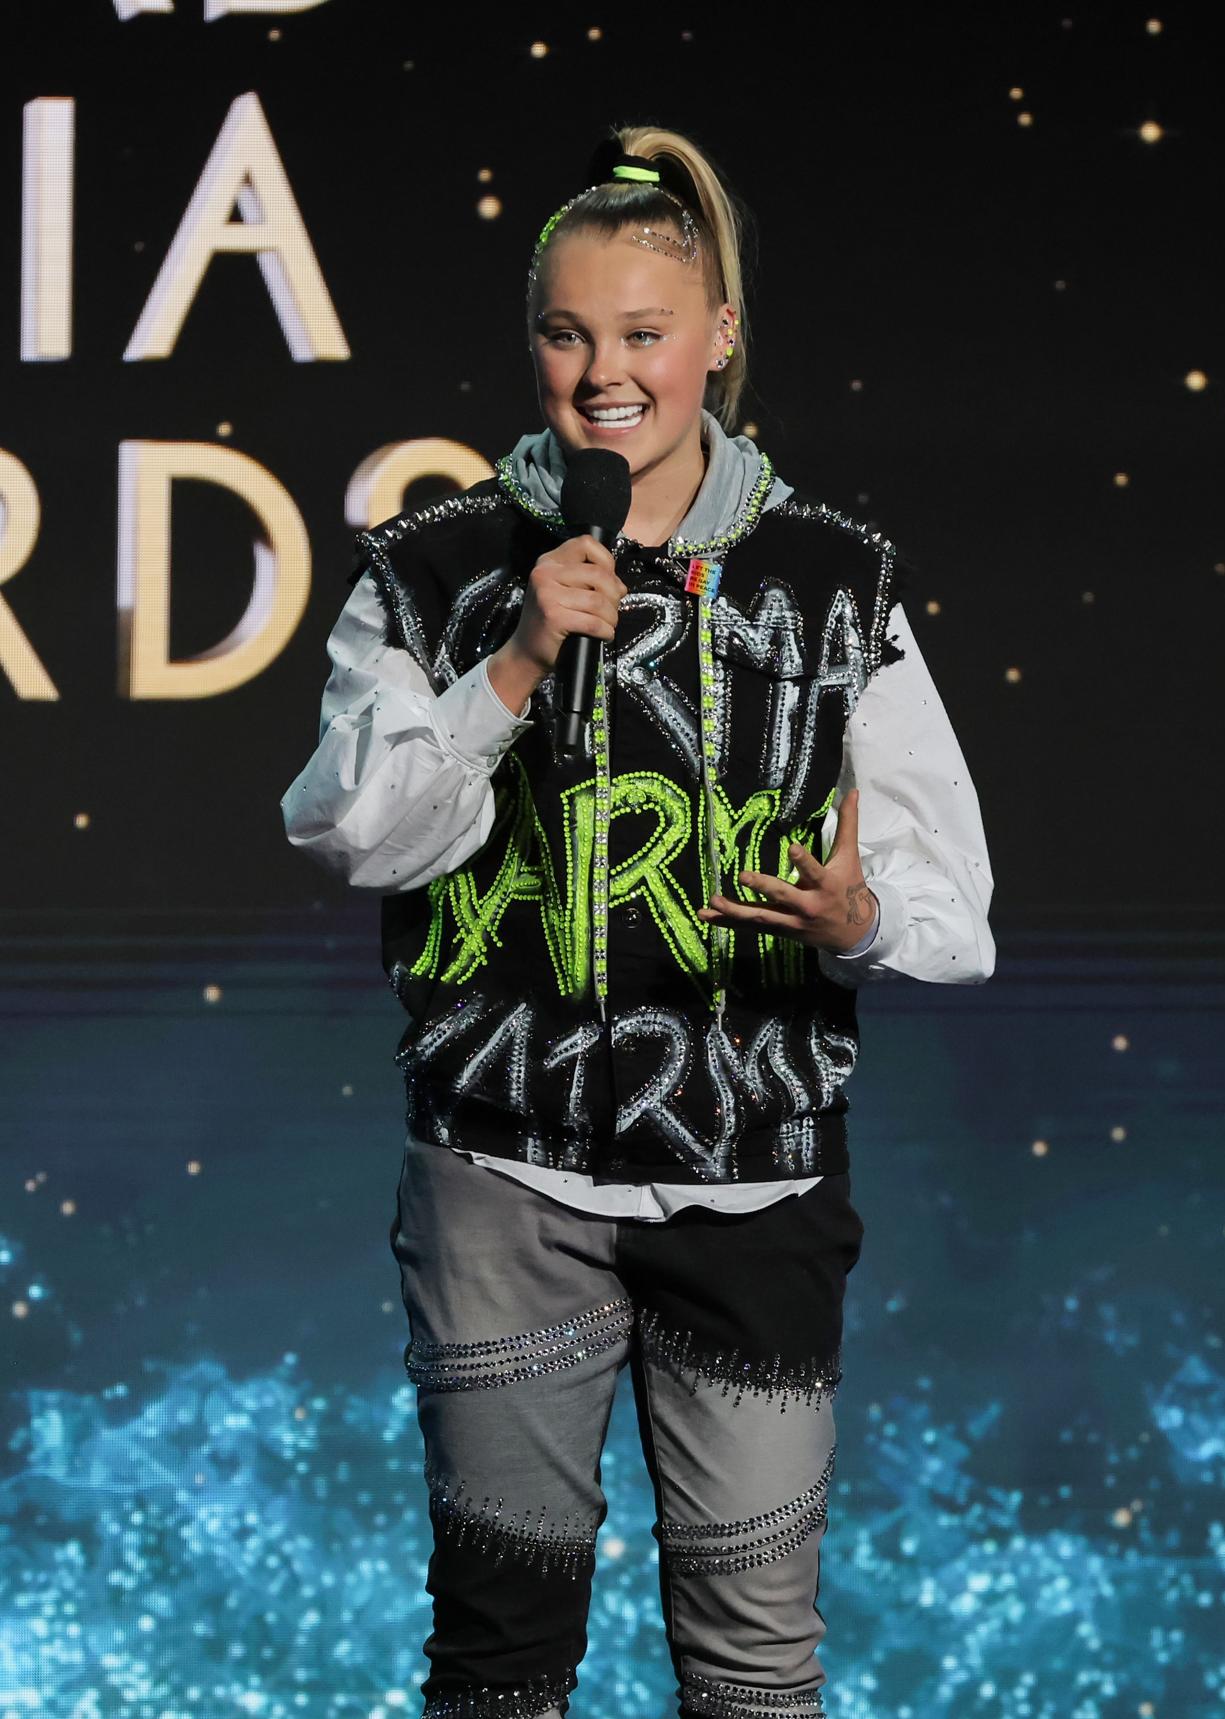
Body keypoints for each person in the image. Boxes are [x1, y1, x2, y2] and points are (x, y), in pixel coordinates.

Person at [281, 124, 995, 1719]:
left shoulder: (831, 580)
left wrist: (858, 911)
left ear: (716, 339)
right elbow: (357, 833)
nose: (603, 374)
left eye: (642, 335)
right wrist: (518, 663)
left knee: (753, 1668)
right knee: (498, 1660)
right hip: (499, 1178)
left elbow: (956, 914)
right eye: (566, 334)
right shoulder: (436, 568)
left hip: (755, 1189)